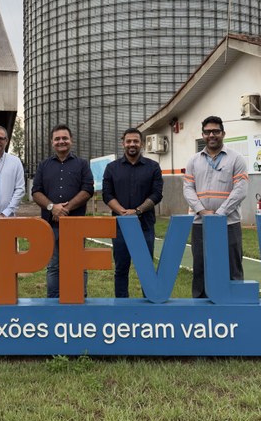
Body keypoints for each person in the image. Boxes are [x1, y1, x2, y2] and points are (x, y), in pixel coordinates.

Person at [183, 115, 249, 298]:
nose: (211, 135)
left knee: (233, 265)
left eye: (216, 131)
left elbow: (241, 190)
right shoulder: (193, 161)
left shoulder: (236, 159)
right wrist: (203, 211)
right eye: (207, 132)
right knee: (200, 266)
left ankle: (235, 303)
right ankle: (200, 303)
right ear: (203, 135)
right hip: (200, 222)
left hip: (228, 223)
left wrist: (220, 213)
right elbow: (188, 189)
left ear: (223, 133)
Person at [32, 124, 94, 298]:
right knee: (53, 266)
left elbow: (88, 189)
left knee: (78, 263)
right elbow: (36, 192)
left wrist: (65, 209)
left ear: (71, 140)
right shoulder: (43, 165)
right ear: (52, 142)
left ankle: (80, 299)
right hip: (50, 226)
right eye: (57, 139)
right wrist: (52, 208)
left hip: (75, 225)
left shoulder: (82, 164)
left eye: (65, 138)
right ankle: (53, 302)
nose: (61, 141)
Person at [102, 128, 163, 298]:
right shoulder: (111, 168)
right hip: (120, 227)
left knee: (146, 269)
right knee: (121, 269)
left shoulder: (153, 167)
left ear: (141, 144)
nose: (132, 144)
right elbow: (107, 194)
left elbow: (157, 194)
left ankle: (149, 302)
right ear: (123, 143)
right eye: (128, 141)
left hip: (145, 226)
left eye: (135, 141)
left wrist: (137, 211)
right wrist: (122, 212)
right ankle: (122, 306)